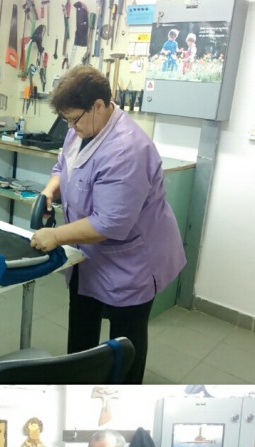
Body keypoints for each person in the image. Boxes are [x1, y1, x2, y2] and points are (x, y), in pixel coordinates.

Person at [30, 66, 186, 383]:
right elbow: (63, 166)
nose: (71, 127)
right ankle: (77, 384)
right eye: (66, 121)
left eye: (74, 119)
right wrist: (49, 191)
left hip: (132, 259)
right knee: (82, 323)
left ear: (98, 105)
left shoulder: (127, 150)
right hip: (88, 253)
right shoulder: (81, 129)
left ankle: (123, 396)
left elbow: (110, 223)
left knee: (126, 340)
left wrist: (56, 235)